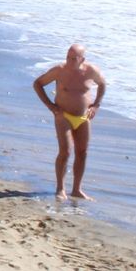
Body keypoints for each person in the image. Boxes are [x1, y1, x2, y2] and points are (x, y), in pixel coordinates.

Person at [32, 44, 108, 200]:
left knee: (82, 152)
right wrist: (50, 106)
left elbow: (102, 84)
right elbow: (38, 84)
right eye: (68, 57)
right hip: (63, 116)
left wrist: (96, 105)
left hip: (83, 117)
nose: (69, 61)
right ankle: (60, 189)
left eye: (74, 58)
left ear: (82, 59)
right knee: (65, 151)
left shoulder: (91, 71)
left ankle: (77, 189)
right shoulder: (59, 70)